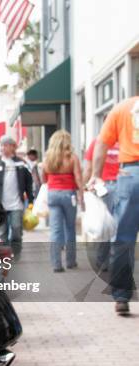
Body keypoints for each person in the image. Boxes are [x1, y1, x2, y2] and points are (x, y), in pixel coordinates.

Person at [87, 96, 139, 315]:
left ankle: (121, 296)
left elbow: (102, 144)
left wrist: (95, 176)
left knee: (124, 238)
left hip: (131, 175)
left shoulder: (121, 109)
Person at [42, 130, 84, 272]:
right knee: (70, 228)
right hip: (69, 195)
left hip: (53, 194)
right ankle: (71, 261)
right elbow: (78, 178)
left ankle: (56, 264)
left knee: (55, 230)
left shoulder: (48, 158)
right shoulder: (72, 157)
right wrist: (82, 197)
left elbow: (44, 179)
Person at [0, 136, 34, 256]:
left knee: (16, 230)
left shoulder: (21, 164)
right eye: (2, 145)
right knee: (1, 234)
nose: (3, 147)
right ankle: (5, 257)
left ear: (13, 147)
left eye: (6, 145)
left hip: (16, 204)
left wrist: (31, 200)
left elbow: (29, 183)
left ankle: (16, 253)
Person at [83, 137, 119, 272]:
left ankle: (102, 260)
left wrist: (84, 186)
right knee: (119, 225)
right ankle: (117, 259)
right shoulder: (125, 142)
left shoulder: (97, 142)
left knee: (104, 225)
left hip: (102, 188)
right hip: (122, 186)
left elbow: (88, 168)